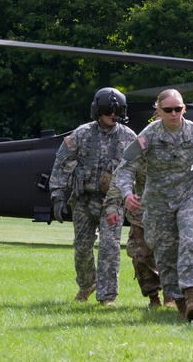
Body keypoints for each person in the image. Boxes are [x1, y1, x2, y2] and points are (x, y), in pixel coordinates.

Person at [115, 89, 193, 322]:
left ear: (184, 109)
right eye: (168, 110)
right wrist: (126, 194)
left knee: (190, 238)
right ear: (159, 111)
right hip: (158, 201)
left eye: (178, 108)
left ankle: (192, 296)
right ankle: (181, 304)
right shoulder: (149, 135)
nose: (174, 114)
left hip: (189, 196)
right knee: (165, 252)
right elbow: (126, 167)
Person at [49, 87, 137, 306]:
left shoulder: (129, 138)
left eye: (117, 110)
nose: (112, 114)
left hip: (112, 203)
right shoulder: (82, 134)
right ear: (98, 110)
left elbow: (141, 168)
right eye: (108, 109)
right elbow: (62, 163)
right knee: (81, 248)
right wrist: (58, 195)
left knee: (110, 247)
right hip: (84, 200)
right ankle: (87, 284)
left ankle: (107, 296)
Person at [104, 159, 169, 309]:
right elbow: (119, 178)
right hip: (142, 215)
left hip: (171, 213)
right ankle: (153, 297)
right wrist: (112, 207)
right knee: (141, 258)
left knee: (171, 257)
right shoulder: (139, 149)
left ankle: (171, 297)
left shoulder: (179, 146)